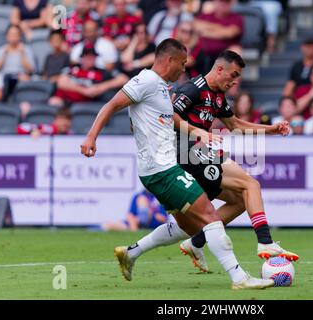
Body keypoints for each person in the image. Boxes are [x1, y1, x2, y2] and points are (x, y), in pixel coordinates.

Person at [80, 38, 274, 290]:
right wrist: (91, 136)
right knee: (210, 217)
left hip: (159, 170)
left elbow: (173, 119)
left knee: (186, 228)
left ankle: (130, 253)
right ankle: (239, 278)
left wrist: (199, 133)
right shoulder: (146, 81)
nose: (184, 69)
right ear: (169, 60)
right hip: (163, 169)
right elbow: (112, 104)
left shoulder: (161, 87)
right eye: (182, 63)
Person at [172, 50, 299, 272]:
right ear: (219, 69)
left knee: (242, 199)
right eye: (233, 75)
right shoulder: (193, 88)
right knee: (251, 184)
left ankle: (196, 242)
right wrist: (196, 133)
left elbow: (236, 126)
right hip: (186, 152)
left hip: (198, 154)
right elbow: (168, 115)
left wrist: (271, 130)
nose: (234, 81)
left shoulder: (218, 96)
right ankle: (265, 241)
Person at [50, 45, 128, 107]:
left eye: (93, 56)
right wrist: (84, 90)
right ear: (82, 57)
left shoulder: (101, 72)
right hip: (66, 102)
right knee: (54, 101)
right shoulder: (72, 69)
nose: (90, 59)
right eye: (87, 56)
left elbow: (123, 79)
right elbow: (61, 82)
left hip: (87, 105)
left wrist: (100, 88)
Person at [194, 0, 244, 72]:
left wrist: (206, 31)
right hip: (202, 52)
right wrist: (221, 29)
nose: (224, 4)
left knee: (235, 51)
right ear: (215, 2)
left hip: (224, 53)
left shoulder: (236, 18)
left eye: (227, 2)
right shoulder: (205, 16)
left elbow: (230, 33)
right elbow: (196, 26)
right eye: (221, 1)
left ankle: (232, 82)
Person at [0, 24, 36, 99]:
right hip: (4, 78)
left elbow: (31, 70)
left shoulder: (26, 49)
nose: (13, 36)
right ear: (6, 36)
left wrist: (22, 53)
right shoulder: (1, 50)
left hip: (21, 76)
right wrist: (4, 54)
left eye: (15, 34)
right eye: (11, 34)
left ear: (20, 36)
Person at [101, 189, 168, 231]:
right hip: (135, 223)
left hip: (152, 224)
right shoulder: (138, 196)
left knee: (142, 200)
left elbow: (162, 218)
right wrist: (133, 220)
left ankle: (134, 230)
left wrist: (150, 213)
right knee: (108, 225)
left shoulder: (160, 196)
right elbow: (130, 214)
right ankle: (134, 230)